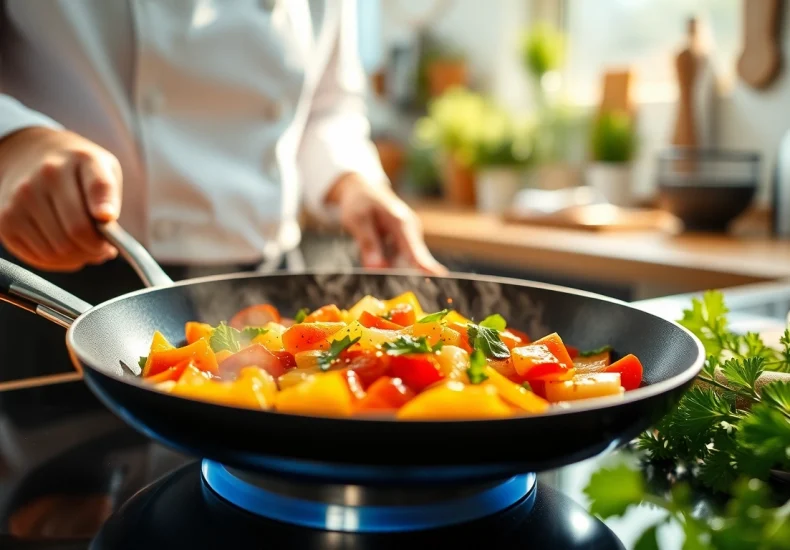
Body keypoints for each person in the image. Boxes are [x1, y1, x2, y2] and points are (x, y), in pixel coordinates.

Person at [0, 0, 445, 383]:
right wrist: (14, 139)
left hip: (270, 282)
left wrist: (353, 181)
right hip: (75, 264)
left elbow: (329, 106)